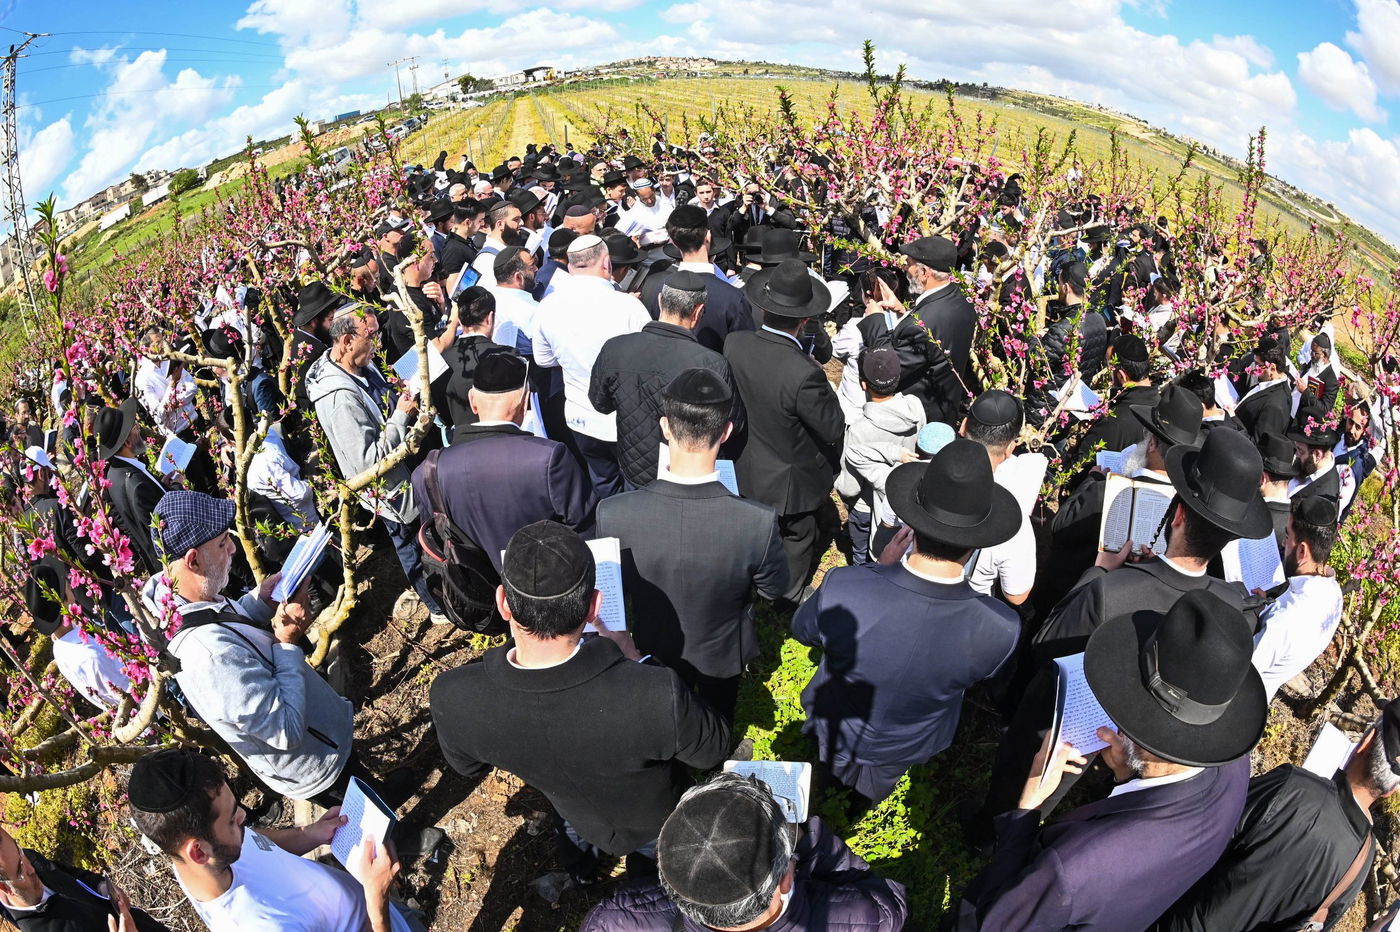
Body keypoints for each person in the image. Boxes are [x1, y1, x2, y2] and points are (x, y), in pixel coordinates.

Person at [972, 426, 1270, 835]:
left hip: (1072, 726)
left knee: (1022, 770)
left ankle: (988, 833)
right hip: (1141, 743)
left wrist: (1099, 571)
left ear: (1177, 515)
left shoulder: (1108, 592)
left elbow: (1045, 646)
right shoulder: (1231, 608)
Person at [431, 521, 732, 882]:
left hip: (573, 810)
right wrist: (637, 659)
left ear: (503, 603)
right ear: (594, 607)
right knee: (659, 870)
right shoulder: (654, 692)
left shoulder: (453, 695)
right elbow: (711, 750)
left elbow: (467, 768)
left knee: (575, 835)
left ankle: (583, 873)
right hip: (658, 821)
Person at [956, 589, 1265, 931]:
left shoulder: (1072, 869)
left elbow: (998, 922)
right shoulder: (1234, 766)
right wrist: (1128, 775)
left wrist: (1026, 811)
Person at [796, 438, 1022, 808]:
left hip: (837, 720)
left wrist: (876, 571)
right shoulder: (1002, 627)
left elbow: (803, 630)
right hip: (910, 741)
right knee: (871, 793)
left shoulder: (845, 586)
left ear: (912, 527)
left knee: (825, 779)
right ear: (975, 544)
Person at [145, 491, 371, 804]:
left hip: (323, 738)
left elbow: (220, 623)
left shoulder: (181, 596)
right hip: (317, 764)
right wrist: (287, 642)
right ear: (193, 560)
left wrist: (259, 602)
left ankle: (384, 796)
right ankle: (396, 825)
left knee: (368, 785)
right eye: (223, 543)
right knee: (363, 815)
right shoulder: (208, 658)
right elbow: (285, 729)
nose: (233, 548)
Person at [596, 369, 786, 720]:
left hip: (652, 647)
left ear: (665, 427)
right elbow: (774, 588)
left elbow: (611, 591)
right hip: (723, 653)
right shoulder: (757, 521)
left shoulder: (614, 513)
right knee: (719, 718)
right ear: (726, 431)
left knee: (663, 719)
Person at [1157, 699, 1400, 932]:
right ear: (1391, 790)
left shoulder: (1293, 787)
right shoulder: (1362, 859)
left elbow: (1201, 832)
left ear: (1365, 742)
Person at [579, 772, 908, 932]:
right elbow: (889, 905)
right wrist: (813, 840)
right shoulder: (860, 917)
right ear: (785, 879)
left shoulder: (612, 922)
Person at [127, 749, 402, 932]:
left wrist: (310, 834)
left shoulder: (201, 856)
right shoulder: (260, 925)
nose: (243, 817)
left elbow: (257, 844)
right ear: (198, 852)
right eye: (231, 819)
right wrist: (376, 898)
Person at [305, 303, 446, 622]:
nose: (377, 341)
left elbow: (383, 392)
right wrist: (401, 415)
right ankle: (437, 606)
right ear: (346, 341)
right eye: (371, 335)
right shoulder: (339, 399)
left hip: (407, 471)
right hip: (391, 489)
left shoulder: (357, 363)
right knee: (411, 544)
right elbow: (369, 460)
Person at [410, 350, 595, 575]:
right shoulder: (549, 459)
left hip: (474, 590)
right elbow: (586, 530)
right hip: (546, 583)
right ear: (525, 403)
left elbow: (434, 539)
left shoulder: (427, 472)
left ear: (472, 401)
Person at [726, 259, 844, 606]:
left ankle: (754, 577)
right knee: (798, 534)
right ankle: (785, 594)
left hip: (745, 463)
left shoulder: (734, 343)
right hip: (788, 477)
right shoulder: (805, 372)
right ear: (804, 320)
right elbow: (832, 426)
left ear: (764, 308)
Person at [589, 271, 744, 491]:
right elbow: (733, 423)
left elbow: (600, 403)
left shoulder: (615, 348)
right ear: (698, 311)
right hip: (687, 474)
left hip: (634, 469)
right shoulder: (712, 363)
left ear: (661, 300)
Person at [534, 234, 651, 498]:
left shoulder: (548, 306)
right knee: (636, 487)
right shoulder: (629, 306)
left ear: (570, 266)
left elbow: (544, 359)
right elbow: (649, 358)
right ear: (607, 263)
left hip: (581, 419)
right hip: (627, 419)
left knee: (604, 484)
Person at [835, 348, 925, 565]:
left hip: (866, 507)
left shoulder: (859, 430)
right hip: (904, 505)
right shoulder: (915, 407)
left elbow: (849, 488)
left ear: (863, 385)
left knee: (862, 555)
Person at [1250, 495, 1343, 701]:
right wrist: (1269, 603)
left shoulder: (1285, 621)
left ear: (1302, 550)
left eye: (1288, 535)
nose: (1284, 543)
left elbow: (1243, 669)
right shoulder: (1333, 592)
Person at [0, 822, 169, 931]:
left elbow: (72, 874)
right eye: (20, 869)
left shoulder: (25, 858)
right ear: (4, 887)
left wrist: (101, 886)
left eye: (21, 851)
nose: (30, 867)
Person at [961, 391, 1043, 607]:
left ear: (963, 426)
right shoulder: (1013, 520)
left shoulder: (919, 474)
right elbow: (1016, 596)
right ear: (1009, 448)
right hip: (969, 606)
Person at [25, 555, 131, 710]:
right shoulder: (91, 656)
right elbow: (131, 693)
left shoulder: (60, 646)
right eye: (65, 584)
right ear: (64, 600)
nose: (69, 583)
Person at [642, 206, 754, 352]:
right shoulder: (733, 298)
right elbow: (744, 352)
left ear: (674, 243)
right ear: (708, 236)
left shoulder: (657, 290)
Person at [898, 235, 976, 423]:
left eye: (909, 264)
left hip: (918, 416)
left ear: (924, 272)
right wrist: (903, 312)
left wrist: (875, 319)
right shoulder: (963, 302)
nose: (905, 268)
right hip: (946, 406)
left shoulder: (922, 324)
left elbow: (891, 368)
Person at [94, 399, 167, 576]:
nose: (139, 429)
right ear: (127, 442)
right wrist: (177, 487)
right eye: (134, 427)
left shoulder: (113, 475)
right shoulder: (136, 484)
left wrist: (164, 485)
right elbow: (163, 526)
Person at [1064, 333, 1158, 466]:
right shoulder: (1161, 406)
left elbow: (1077, 468)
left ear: (1121, 376)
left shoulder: (1113, 424)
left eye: (1109, 369)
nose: (1109, 377)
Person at [438, 285, 508, 432]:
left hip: (460, 440)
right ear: (490, 318)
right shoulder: (508, 357)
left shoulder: (441, 362)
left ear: (460, 321)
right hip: (503, 437)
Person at [1288, 401, 1348, 518]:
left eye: (1301, 451)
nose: (1297, 455)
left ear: (1317, 455)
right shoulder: (1307, 466)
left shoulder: (1324, 499)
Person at [1234, 337, 1293, 443]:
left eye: (1258, 365)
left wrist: (1232, 418)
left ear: (1272, 368)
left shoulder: (1275, 405)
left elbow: (1258, 443)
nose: (1254, 369)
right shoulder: (1267, 384)